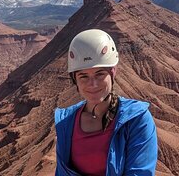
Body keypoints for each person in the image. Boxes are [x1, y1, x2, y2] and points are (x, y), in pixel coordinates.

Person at [55, 29, 157, 175]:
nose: (93, 84)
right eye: (83, 76)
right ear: (74, 79)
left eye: (100, 74)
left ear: (112, 73)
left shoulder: (136, 120)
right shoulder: (65, 123)